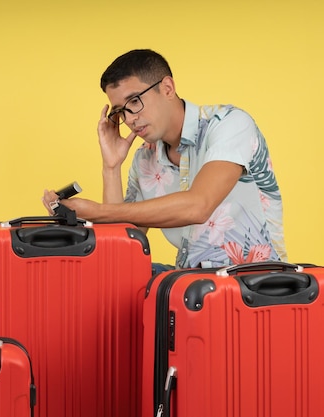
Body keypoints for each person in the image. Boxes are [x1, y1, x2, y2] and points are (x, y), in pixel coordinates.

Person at [43, 49, 287, 269]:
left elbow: (198, 206)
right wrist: (111, 167)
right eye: (120, 111)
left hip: (253, 286)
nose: (129, 119)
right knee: (110, 281)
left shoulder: (229, 125)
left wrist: (97, 211)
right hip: (191, 289)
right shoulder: (145, 159)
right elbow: (121, 247)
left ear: (167, 88)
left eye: (135, 102)